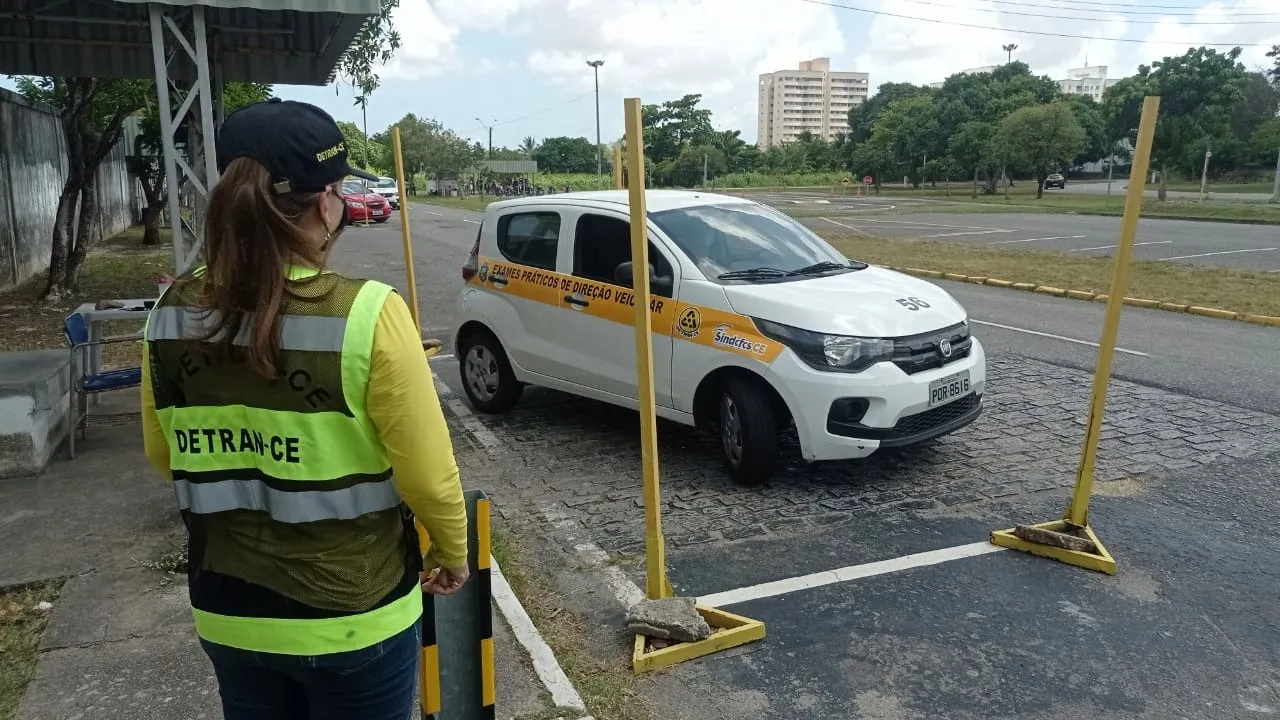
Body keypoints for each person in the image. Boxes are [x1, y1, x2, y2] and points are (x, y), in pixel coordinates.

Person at [140, 98, 470, 720]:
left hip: (228, 611)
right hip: (355, 614)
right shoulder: (368, 314)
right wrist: (452, 551)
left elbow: (165, 456)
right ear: (325, 204)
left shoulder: (170, 314)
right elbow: (429, 475)